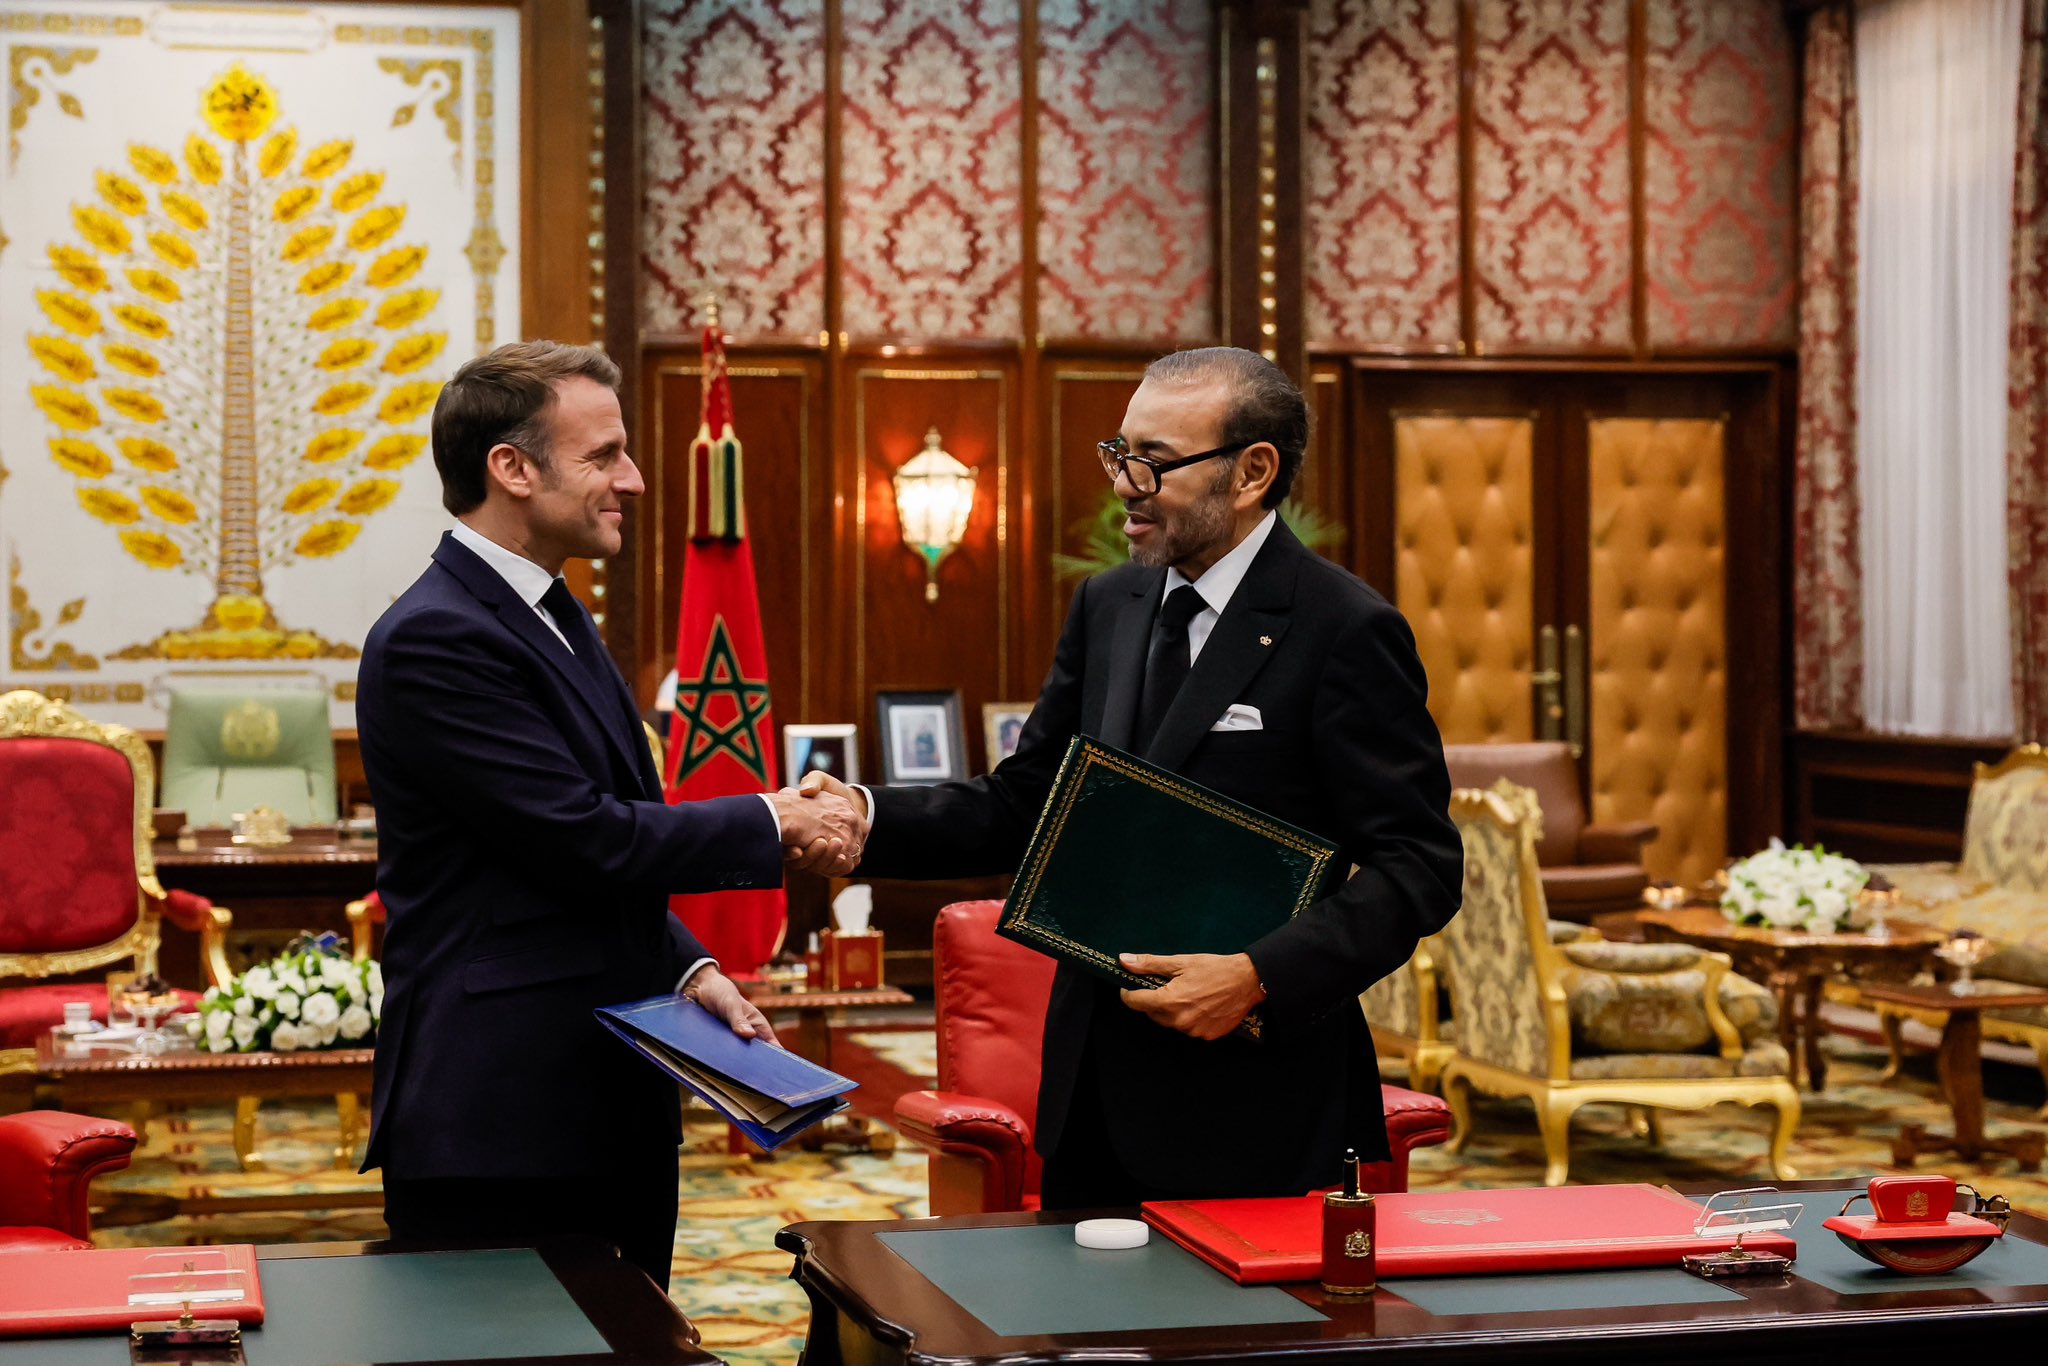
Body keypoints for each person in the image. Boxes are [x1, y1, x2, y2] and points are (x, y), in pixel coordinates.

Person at [805, 347, 1460, 1206]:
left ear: (1253, 471)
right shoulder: (1111, 604)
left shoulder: (1344, 629)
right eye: (1119, 454)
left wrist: (1259, 975)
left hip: (1253, 1106)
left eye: (1153, 460)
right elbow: (1028, 801)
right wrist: (864, 818)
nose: (1124, 484)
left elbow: (1420, 865)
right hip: (1091, 1094)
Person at [357, 341, 863, 1282]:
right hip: (501, 1117)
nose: (631, 480)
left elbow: (573, 856)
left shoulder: (555, 612)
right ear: (511, 467)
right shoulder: (438, 637)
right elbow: (579, 837)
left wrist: (691, 965)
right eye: (603, 456)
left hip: (608, 1093)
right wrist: (773, 820)